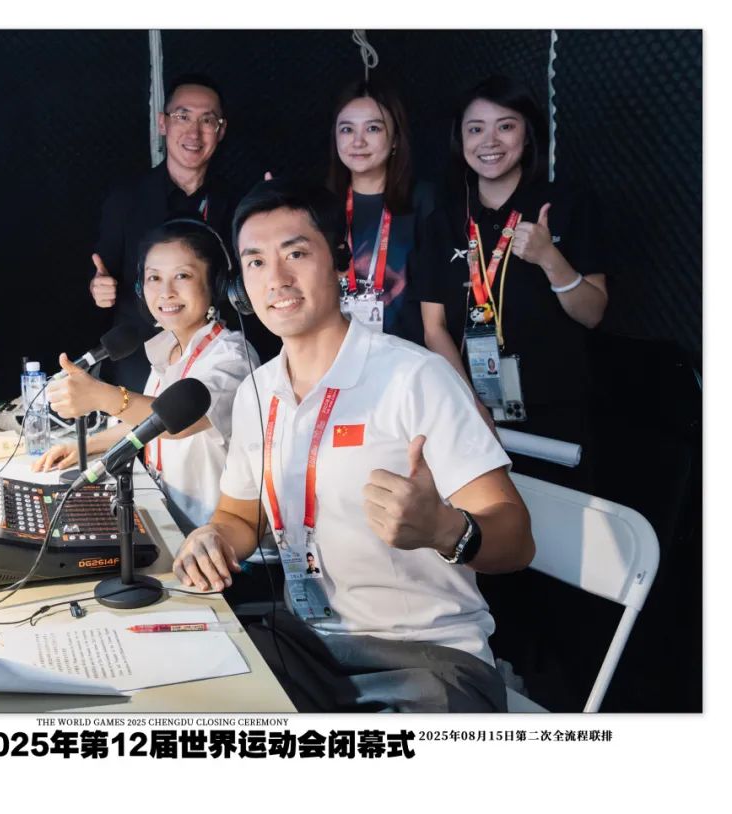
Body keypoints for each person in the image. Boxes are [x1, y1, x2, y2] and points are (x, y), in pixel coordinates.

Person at [172, 178, 534, 712]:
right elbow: (238, 517)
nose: (277, 278)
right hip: (308, 648)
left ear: (340, 263)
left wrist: (445, 529)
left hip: (429, 659)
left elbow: (517, 540)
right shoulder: (256, 392)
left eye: (296, 253)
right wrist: (213, 539)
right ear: (239, 288)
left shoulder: (415, 378)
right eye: (256, 262)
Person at [417, 75, 607, 489]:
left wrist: (549, 258)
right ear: (460, 139)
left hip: (555, 411)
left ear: (527, 134)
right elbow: (434, 328)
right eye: (475, 129)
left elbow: (593, 313)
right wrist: (469, 405)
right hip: (469, 411)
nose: (489, 141)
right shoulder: (443, 221)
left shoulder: (568, 205)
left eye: (505, 126)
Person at [39, 219, 258, 531]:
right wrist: (85, 446)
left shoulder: (232, 357)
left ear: (216, 284)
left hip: (216, 538)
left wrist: (101, 396)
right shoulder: (168, 347)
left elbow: (178, 424)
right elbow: (146, 424)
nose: (166, 292)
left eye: (182, 276)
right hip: (169, 523)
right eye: (154, 278)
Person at [89, 74, 236, 389]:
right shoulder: (125, 200)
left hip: (214, 361)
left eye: (207, 120)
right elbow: (100, 273)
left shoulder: (238, 202)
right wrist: (97, 289)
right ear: (162, 123)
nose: (194, 131)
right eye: (183, 116)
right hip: (138, 364)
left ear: (221, 130)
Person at [326, 79, 434, 344]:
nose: (358, 141)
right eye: (347, 129)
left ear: (395, 139)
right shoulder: (318, 204)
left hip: (407, 357)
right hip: (336, 355)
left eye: (373, 128)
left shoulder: (425, 200)